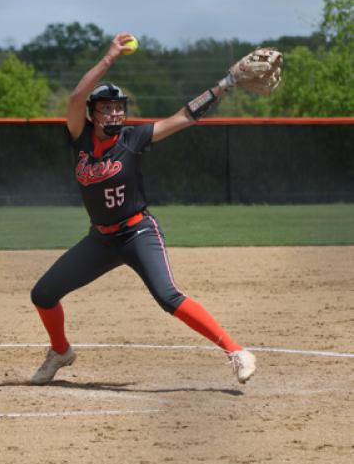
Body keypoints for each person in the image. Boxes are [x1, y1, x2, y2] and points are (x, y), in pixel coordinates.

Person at [30, 32, 282, 386]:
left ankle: (237, 351)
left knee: (168, 296)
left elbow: (184, 116)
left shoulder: (133, 139)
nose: (115, 112)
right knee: (42, 295)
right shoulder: (81, 138)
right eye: (106, 107)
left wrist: (224, 85)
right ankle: (60, 351)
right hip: (100, 241)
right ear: (92, 113)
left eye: (119, 106)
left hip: (137, 232)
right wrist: (110, 57)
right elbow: (75, 96)